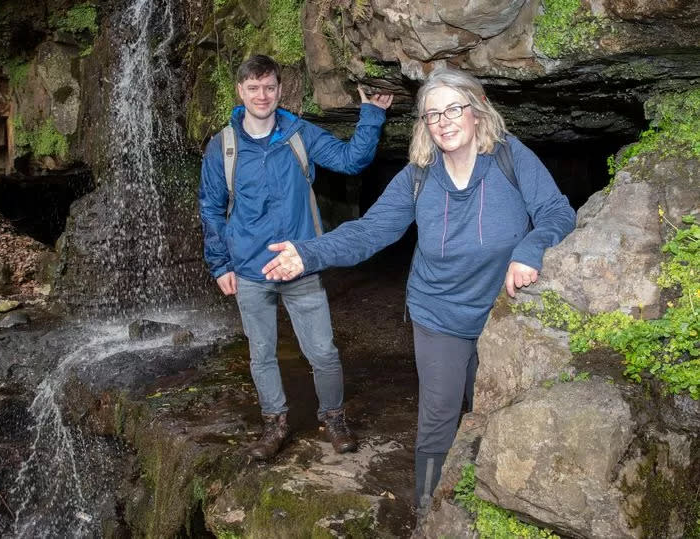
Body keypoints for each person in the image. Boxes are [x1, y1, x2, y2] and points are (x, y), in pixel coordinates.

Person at [261, 66, 576, 511]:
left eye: (454, 109)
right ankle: (428, 508)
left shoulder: (510, 157)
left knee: (492, 410)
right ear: (425, 125)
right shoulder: (419, 176)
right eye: (433, 114)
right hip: (439, 315)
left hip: (502, 312)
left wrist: (530, 249)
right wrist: (309, 253)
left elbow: (557, 214)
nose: (445, 121)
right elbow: (370, 231)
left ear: (477, 111)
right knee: (440, 416)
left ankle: (489, 501)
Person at [199, 54, 393, 460]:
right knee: (261, 353)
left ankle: (335, 419)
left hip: (300, 264)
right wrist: (220, 264)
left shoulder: (299, 133)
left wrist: (371, 115)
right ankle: (274, 425)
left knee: (322, 351)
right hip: (250, 270)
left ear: (280, 89)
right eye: (253, 88)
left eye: (269, 87)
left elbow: (350, 160)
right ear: (241, 92)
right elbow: (211, 208)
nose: (262, 95)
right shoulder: (223, 148)